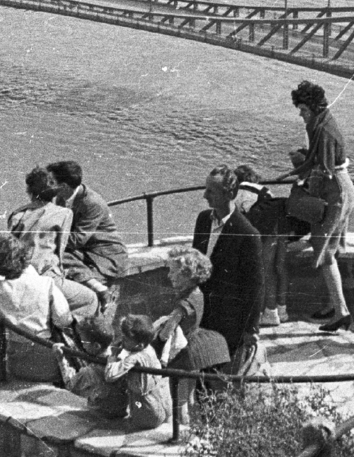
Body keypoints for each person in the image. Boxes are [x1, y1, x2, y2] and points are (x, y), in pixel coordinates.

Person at [0, 235, 74, 383]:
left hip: (17, 364)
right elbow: (64, 319)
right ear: (24, 256)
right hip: (46, 361)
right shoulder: (46, 283)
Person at [288, 80, 354, 333]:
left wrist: (304, 187)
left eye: (303, 110)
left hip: (335, 190)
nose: (301, 114)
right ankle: (333, 304)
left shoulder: (322, 131)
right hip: (344, 187)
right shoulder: (325, 121)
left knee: (325, 251)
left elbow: (323, 171)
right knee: (332, 249)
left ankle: (341, 313)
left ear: (314, 108)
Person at [190, 165, 265, 362]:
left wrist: (251, 328)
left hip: (229, 320)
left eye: (211, 191)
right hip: (202, 312)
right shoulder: (203, 220)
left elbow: (255, 286)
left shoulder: (247, 234)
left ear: (229, 193)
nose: (205, 196)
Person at [154, 246, 231, 437]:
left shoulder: (183, 304)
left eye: (173, 272)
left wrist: (158, 332)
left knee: (179, 398)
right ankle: (192, 427)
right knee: (189, 395)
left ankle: (180, 432)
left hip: (184, 349)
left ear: (187, 275)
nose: (169, 276)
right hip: (195, 340)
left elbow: (166, 333)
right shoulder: (197, 293)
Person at [8, 167, 99, 318]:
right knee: (90, 299)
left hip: (19, 277)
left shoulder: (17, 214)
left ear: (29, 190)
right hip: (46, 277)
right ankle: (68, 335)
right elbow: (60, 252)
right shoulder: (64, 214)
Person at [47, 160, 129, 307]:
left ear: (64, 186)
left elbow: (77, 239)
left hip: (105, 255)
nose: (48, 185)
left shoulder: (92, 203)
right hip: (84, 251)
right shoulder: (60, 198)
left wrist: (46, 237)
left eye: (52, 182)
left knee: (57, 254)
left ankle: (98, 290)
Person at [234, 164, 289, 327]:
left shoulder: (239, 190)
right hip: (279, 229)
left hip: (264, 231)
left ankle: (267, 313)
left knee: (262, 271)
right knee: (275, 269)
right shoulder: (263, 190)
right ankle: (279, 311)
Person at [104, 315, 171, 431]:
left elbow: (110, 375)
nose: (122, 340)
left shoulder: (134, 358)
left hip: (146, 411)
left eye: (126, 339)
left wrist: (112, 358)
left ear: (139, 345)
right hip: (159, 402)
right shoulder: (149, 349)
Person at [60, 317, 127, 420]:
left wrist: (61, 360)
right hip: (122, 410)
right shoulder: (123, 357)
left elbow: (70, 385)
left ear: (96, 346)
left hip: (100, 413)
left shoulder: (89, 372)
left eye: (84, 343)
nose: (82, 345)